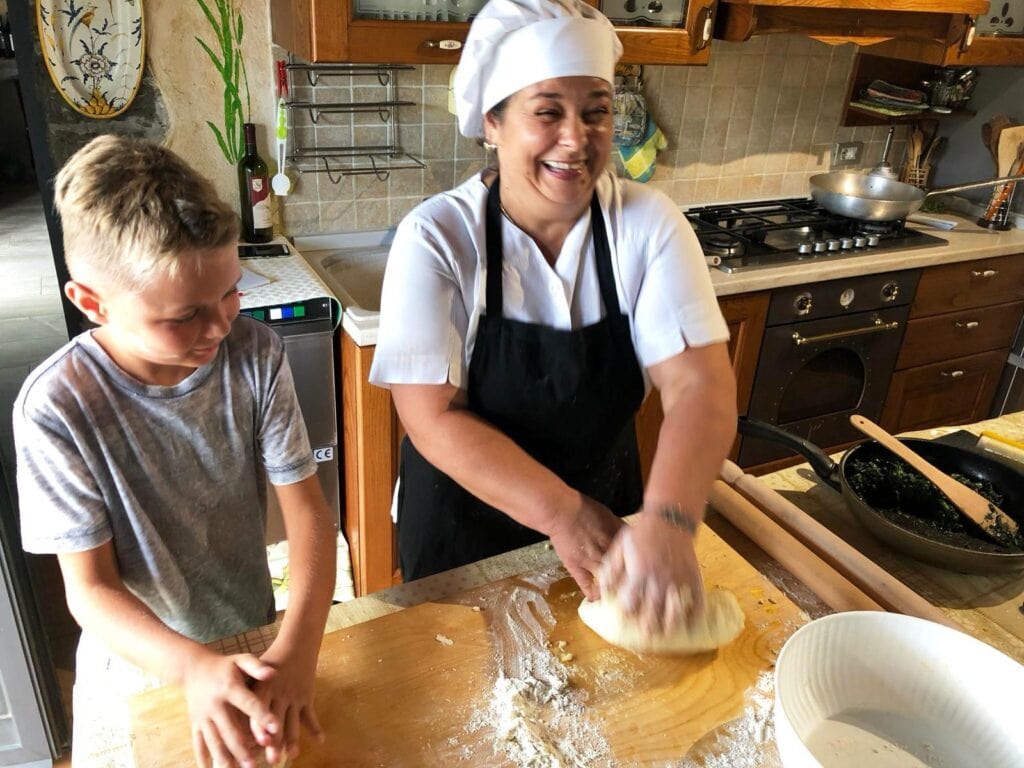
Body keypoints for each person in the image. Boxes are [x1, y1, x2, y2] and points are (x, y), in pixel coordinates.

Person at [369, 0, 737, 635]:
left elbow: (699, 386)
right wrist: (565, 515)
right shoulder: (437, 236)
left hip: (610, 519)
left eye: (595, 111)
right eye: (547, 113)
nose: (578, 138)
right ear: (492, 122)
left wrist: (671, 522)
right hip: (465, 526)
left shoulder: (646, 226)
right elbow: (429, 417)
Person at [13, 136, 337, 768]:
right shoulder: (58, 408)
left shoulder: (255, 354)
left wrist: (298, 648)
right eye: (184, 315)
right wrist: (191, 671)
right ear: (91, 303)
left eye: (230, 292)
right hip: (138, 665)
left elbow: (309, 515)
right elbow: (91, 590)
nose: (219, 327)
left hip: (251, 636)